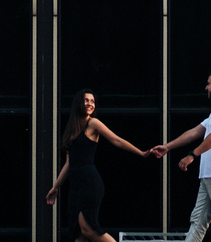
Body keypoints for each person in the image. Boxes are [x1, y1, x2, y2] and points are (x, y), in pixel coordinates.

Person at [46, 88, 151, 242]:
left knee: (88, 228)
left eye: (93, 101)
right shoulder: (71, 130)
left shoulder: (93, 123)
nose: (90, 104)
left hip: (89, 182)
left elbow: (116, 140)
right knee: (78, 235)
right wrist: (55, 187)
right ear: (78, 103)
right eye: (86, 100)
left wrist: (141, 153)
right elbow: (69, 163)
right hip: (75, 187)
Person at [152, 68, 211, 242]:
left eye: (209, 83)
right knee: (198, 221)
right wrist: (167, 147)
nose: (206, 88)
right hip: (209, 175)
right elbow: (195, 132)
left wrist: (192, 155)